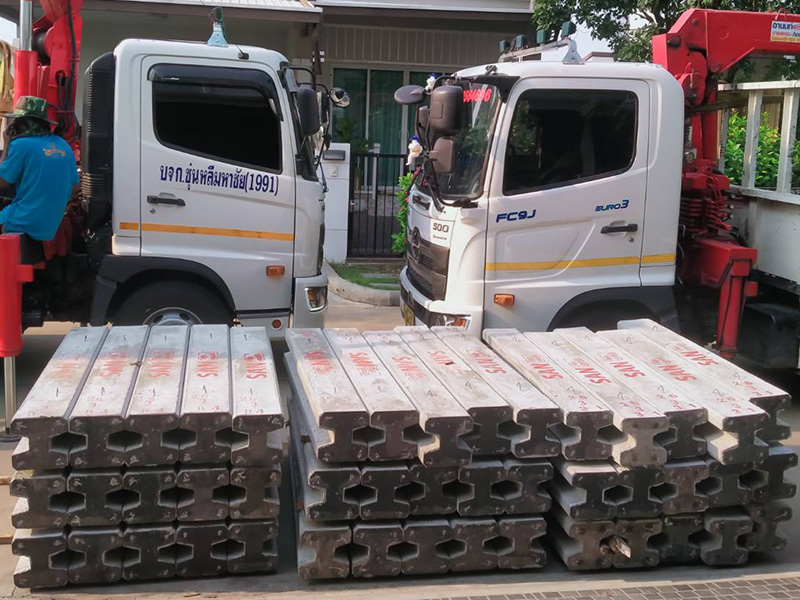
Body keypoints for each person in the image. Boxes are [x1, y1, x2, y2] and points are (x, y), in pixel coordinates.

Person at [0, 96, 79, 241]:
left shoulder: (21, 145)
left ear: (20, 122)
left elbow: (2, 182)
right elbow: (74, 188)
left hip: (21, 221)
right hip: (49, 226)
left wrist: (6, 147)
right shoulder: (63, 144)